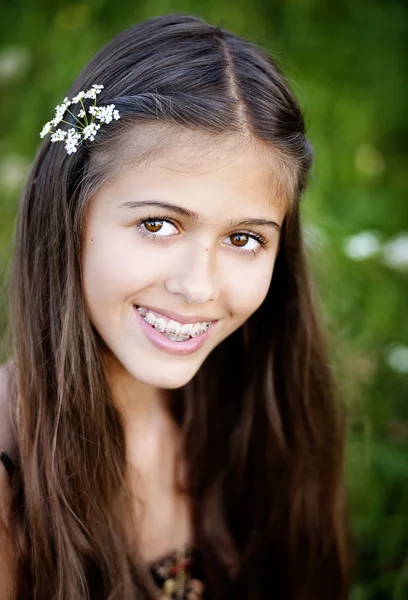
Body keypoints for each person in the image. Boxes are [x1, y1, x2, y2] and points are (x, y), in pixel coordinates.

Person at [0, 13, 354, 600]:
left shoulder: (262, 414)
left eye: (244, 239)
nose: (198, 287)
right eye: (158, 224)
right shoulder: (12, 486)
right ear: (70, 214)